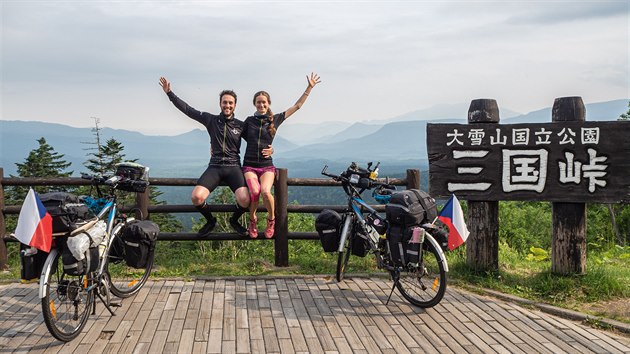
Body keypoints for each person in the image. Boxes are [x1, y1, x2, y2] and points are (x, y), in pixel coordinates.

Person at [159, 77, 272, 236]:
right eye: (225, 102)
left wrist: (270, 149)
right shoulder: (210, 120)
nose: (227, 105)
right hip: (215, 166)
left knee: (246, 200)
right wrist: (170, 93)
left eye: (230, 103)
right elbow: (188, 110)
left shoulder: (240, 125)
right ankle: (210, 221)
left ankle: (234, 220)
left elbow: (256, 140)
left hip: (233, 167)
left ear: (235, 105)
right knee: (197, 197)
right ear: (220, 103)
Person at [242, 72, 321, 238]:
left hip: (266, 167)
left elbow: (297, 106)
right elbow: (234, 136)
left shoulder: (275, 119)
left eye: (264, 102)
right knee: (255, 191)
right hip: (249, 165)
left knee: (265, 191)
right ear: (254, 104)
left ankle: (271, 219)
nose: (261, 105)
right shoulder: (248, 121)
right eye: (258, 102)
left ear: (268, 103)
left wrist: (309, 88)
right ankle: (253, 219)